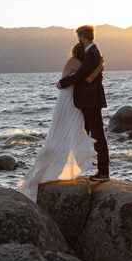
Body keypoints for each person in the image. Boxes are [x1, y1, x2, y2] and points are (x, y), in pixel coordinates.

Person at [16, 41, 105, 201]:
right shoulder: (76, 62)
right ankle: (58, 167)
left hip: (70, 99)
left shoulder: (74, 61)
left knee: (70, 132)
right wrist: (99, 66)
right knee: (70, 131)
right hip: (69, 101)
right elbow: (89, 77)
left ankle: (65, 166)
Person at [57, 25, 109, 182]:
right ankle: (85, 167)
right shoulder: (91, 53)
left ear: (83, 37)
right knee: (88, 133)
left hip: (91, 100)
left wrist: (62, 82)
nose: (78, 39)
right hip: (88, 100)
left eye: (79, 36)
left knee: (98, 135)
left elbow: (82, 75)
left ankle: (103, 172)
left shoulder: (92, 53)